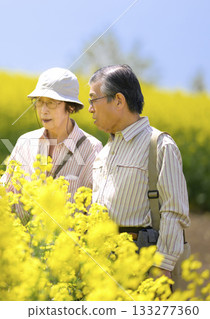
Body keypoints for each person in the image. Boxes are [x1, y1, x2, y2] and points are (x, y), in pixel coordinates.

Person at [88, 64, 190, 278]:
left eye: (93, 100)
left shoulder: (159, 145)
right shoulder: (103, 154)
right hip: (101, 266)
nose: (90, 109)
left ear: (118, 100)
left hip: (142, 264)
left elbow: (174, 212)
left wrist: (163, 269)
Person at [0, 67, 103, 225]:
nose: (43, 110)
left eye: (51, 103)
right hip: (23, 247)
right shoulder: (25, 142)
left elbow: (96, 211)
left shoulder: (92, 148)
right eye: (39, 102)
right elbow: (4, 191)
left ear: (70, 107)